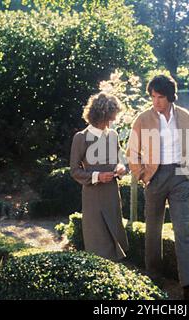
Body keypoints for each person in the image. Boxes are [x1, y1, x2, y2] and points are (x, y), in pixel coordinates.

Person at [127, 75, 189, 300]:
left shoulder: (184, 116)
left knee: (183, 231)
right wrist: (143, 175)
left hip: (179, 177)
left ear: (170, 96)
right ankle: (153, 278)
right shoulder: (143, 119)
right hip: (154, 177)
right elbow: (132, 151)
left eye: (160, 97)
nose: (156, 101)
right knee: (153, 230)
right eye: (153, 97)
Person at [70, 92, 128, 262]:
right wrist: (97, 176)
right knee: (98, 242)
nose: (114, 120)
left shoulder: (113, 135)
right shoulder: (81, 138)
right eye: (112, 116)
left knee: (115, 236)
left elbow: (119, 161)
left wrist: (120, 167)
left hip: (112, 193)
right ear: (101, 115)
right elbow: (74, 171)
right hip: (93, 196)